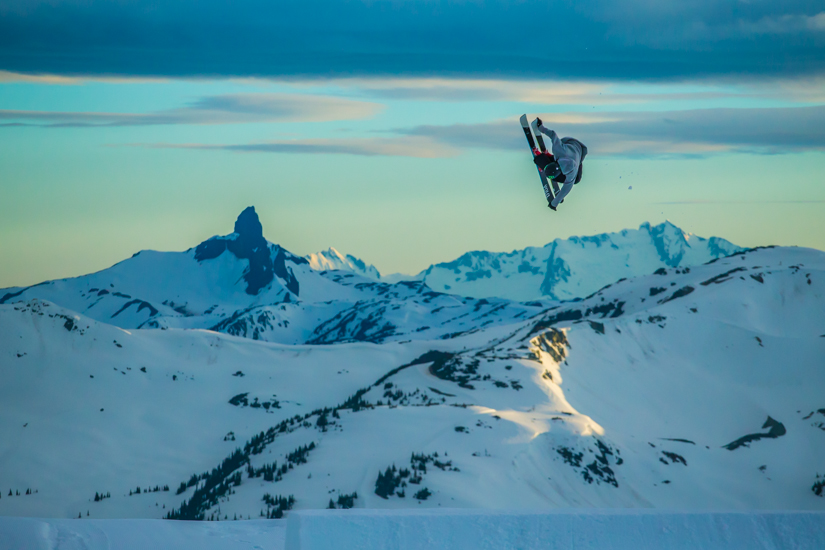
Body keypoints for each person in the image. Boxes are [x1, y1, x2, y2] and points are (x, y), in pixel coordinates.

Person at [535, 118, 587, 211]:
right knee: (563, 168)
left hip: (577, 153)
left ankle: (540, 158)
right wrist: (541, 127)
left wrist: (554, 203)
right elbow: (553, 134)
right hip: (570, 145)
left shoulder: (571, 173)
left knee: (576, 180)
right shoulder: (558, 148)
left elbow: (565, 190)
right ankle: (545, 157)